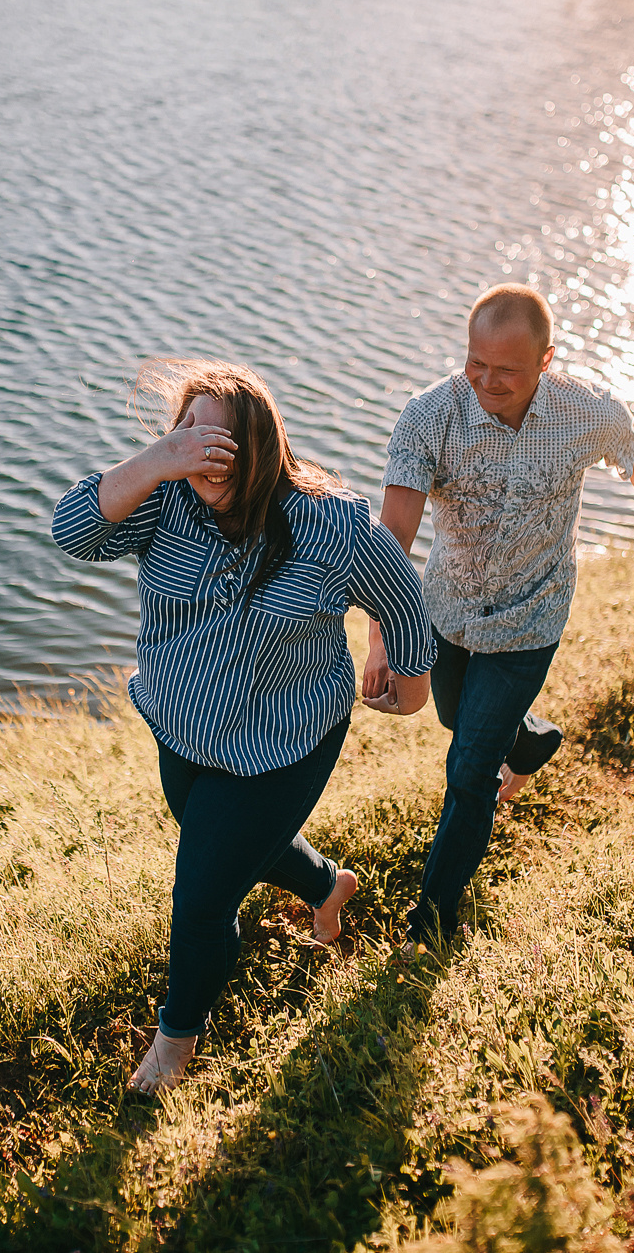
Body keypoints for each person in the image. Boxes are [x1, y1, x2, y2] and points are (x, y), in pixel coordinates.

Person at [52, 360, 435, 1094]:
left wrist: (411, 686)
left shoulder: (331, 524)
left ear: (262, 443)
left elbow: (402, 598)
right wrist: (157, 462)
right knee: (225, 846)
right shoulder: (163, 503)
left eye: (218, 439)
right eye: (186, 435)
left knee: (202, 895)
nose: (202, 453)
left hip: (282, 743)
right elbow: (72, 531)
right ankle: (328, 885)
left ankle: (175, 1041)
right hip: (182, 726)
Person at [362, 283, 634, 947]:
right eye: (475, 364)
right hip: (450, 611)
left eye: (506, 370)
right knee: (458, 717)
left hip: (532, 618)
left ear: (545, 362)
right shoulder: (428, 417)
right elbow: (391, 539)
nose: (487, 381)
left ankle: (430, 924)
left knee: (468, 771)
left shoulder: (585, 410)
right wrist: (382, 636)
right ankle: (529, 741)